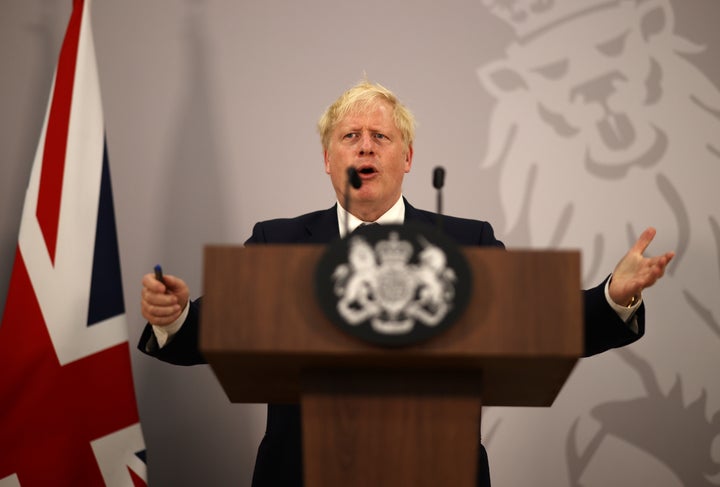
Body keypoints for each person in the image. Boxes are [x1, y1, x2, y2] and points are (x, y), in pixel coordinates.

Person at [138, 80, 674, 486]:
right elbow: (222, 327)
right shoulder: (278, 241)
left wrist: (611, 297)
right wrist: (177, 316)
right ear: (328, 159)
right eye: (349, 137)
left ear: (408, 157)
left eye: (380, 137)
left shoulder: (467, 243)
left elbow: (537, 323)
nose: (365, 147)